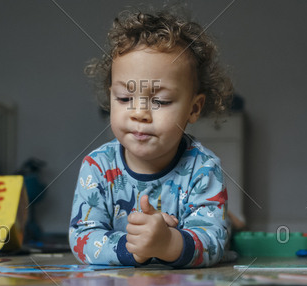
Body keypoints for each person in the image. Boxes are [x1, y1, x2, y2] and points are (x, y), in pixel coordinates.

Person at [69, 7, 233, 267]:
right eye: (124, 98)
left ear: (194, 108)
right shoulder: (96, 166)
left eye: (160, 100)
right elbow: (82, 235)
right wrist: (132, 248)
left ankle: (234, 220)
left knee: (228, 229)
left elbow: (213, 240)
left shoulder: (203, 167)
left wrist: (169, 243)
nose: (139, 113)